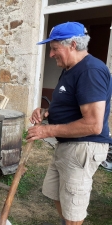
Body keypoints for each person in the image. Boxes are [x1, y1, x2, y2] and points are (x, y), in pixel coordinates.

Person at [27, 22, 112, 225]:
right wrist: (46, 113)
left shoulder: (90, 71)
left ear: (73, 45)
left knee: (73, 206)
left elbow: (93, 125)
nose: (51, 54)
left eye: (55, 48)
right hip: (67, 145)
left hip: (83, 147)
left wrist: (46, 131)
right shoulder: (70, 69)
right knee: (57, 194)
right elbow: (69, 106)